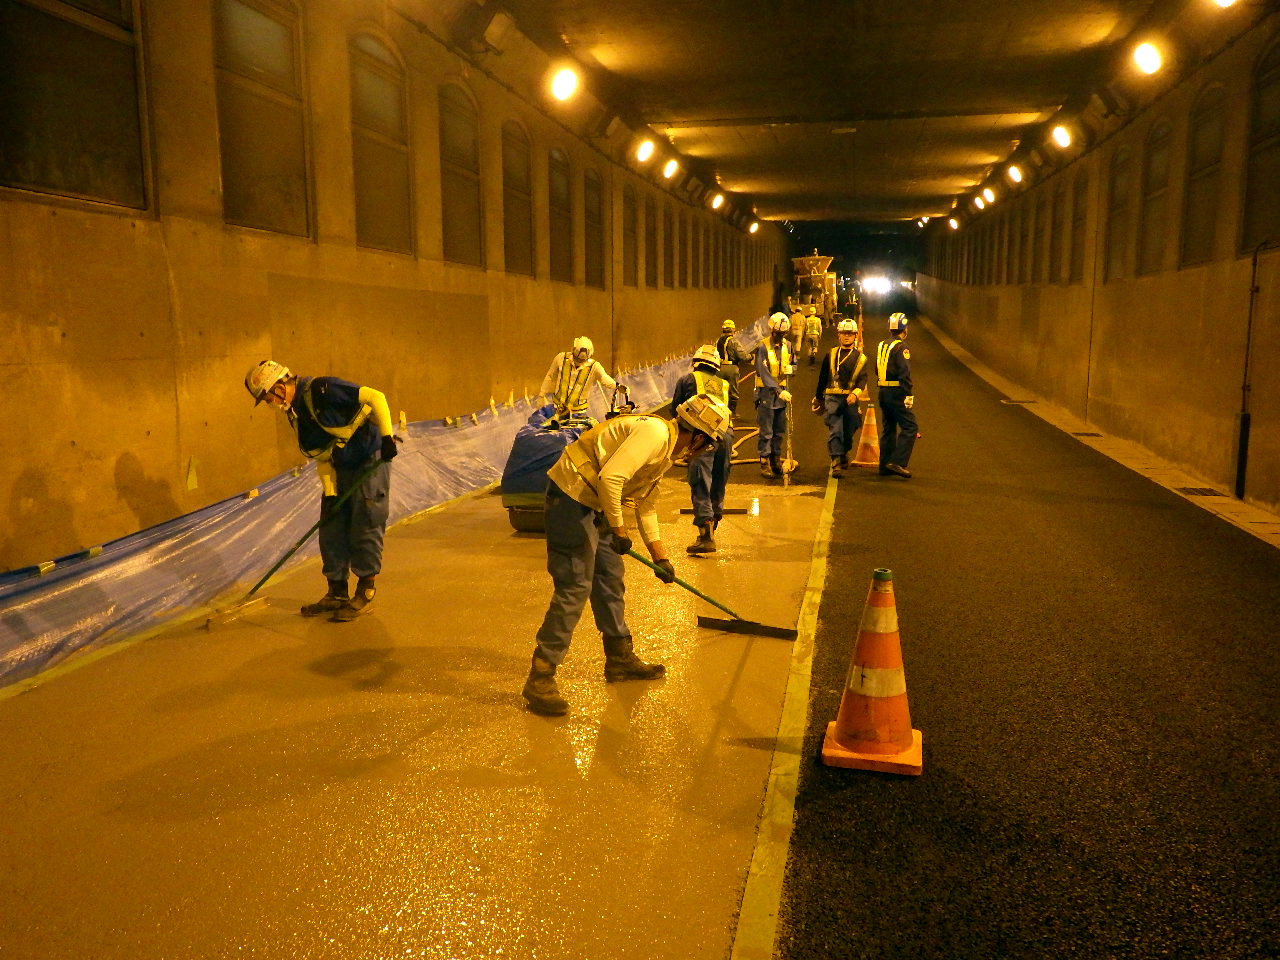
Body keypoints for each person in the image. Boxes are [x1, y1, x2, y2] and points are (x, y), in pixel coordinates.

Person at [521, 395, 732, 716]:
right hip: (571, 496)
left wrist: (660, 556)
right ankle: (541, 674)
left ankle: (619, 657)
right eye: (709, 445)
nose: (705, 451)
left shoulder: (666, 450)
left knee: (609, 578)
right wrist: (619, 531)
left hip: (597, 500)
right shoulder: (656, 435)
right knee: (576, 585)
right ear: (700, 437)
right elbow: (612, 478)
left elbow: (644, 503)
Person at [244, 360, 399, 619]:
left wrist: (386, 437)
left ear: (280, 386)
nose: (269, 402)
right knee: (331, 528)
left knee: (365, 522)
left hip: (369, 458)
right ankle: (336, 592)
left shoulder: (322, 389)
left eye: (268, 395)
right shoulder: (295, 415)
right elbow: (321, 456)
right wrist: (329, 493)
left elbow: (376, 397)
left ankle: (365, 591)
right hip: (339, 467)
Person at [673, 345, 738, 554]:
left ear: (696, 362)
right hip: (726, 434)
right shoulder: (724, 384)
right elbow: (731, 406)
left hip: (703, 435)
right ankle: (713, 525)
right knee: (719, 479)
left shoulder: (688, 379)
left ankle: (705, 536)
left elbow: (676, 408)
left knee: (700, 480)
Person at [812, 319, 868, 478]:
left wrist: (855, 394)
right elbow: (823, 377)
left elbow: (863, 379)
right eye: (844, 333)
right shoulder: (830, 354)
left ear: (855, 336)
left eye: (850, 334)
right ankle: (835, 460)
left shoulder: (860, 358)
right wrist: (818, 398)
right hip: (832, 398)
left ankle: (843, 451)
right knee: (835, 429)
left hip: (850, 399)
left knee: (850, 428)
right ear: (839, 335)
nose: (847, 336)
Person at [540, 336, 624, 423]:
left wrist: (617, 386)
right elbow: (550, 376)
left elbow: (604, 378)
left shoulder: (594, 366)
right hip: (557, 409)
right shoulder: (561, 358)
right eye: (577, 359)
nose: (579, 362)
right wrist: (541, 395)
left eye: (582, 361)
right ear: (573, 352)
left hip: (578, 413)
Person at [876, 313, 917, 479]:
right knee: (910, 427)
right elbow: (904, 372)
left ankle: (884, 466)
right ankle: (898, 461)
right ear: (904, 329)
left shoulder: (881, 345)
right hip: (896, 392)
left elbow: (877, 368)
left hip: (882, 392)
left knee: (889, 428)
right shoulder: (901, 347)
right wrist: (908, 394)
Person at [754, 312, 794, 479]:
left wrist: (792, 369)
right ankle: (764, 462)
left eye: (784, 334)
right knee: (767, 430)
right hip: (766, 394)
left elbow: (793, 362)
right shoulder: (762, 347)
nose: (781, 337)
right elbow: (763, 373)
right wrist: (779, 391)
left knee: (779, 430)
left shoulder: (788, 346)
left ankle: (775, 460)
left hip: (781, 395)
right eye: (778, 334)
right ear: (772, 331)